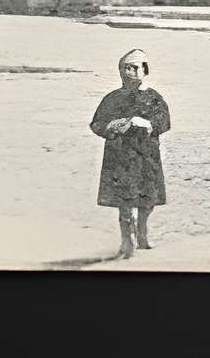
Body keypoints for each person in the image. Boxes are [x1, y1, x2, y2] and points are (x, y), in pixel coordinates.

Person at [90, 48, 171, 260]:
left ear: (145, 70)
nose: (131, 72)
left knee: (147, 200)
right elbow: (97, 124)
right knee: (124, 203)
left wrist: (146, 123)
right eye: (126, 67)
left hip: (146, 156)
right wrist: (110, 126)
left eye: (136, 67)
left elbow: (164, 122)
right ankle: (127, 241)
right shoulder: (112, 98)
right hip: (119, 158)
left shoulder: (154, 98)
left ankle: (142, 233)